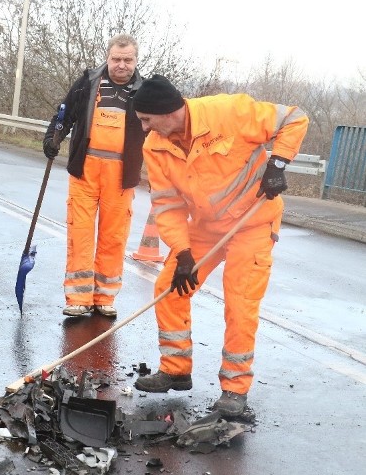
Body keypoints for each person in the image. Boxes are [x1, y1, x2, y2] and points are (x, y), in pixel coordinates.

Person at [131, 74, 309, 417]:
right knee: (169, 287)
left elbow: (293, 117)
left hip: (252, 223)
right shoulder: (155, 145)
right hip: (206, 228)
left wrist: (278, 162)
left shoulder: (227, 112)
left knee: (239, 303)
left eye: (146, 120)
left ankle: (234, 391)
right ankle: (176, 369)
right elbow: (167, 204)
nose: (143, 128)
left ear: (168, 113)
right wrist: (182, 252)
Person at [42, 34, 145, 318]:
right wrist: (54, 136)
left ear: (135, 61)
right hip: (85, 172)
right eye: (116, 59)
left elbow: (161, 129)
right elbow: (65, 112)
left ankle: (104, 298)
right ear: (108, 58)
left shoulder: (144, 92)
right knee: (81, 234)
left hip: (122, 177)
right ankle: (78, 298)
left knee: (114, 237)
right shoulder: (88, 82)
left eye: (127, 60)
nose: (121, 65)